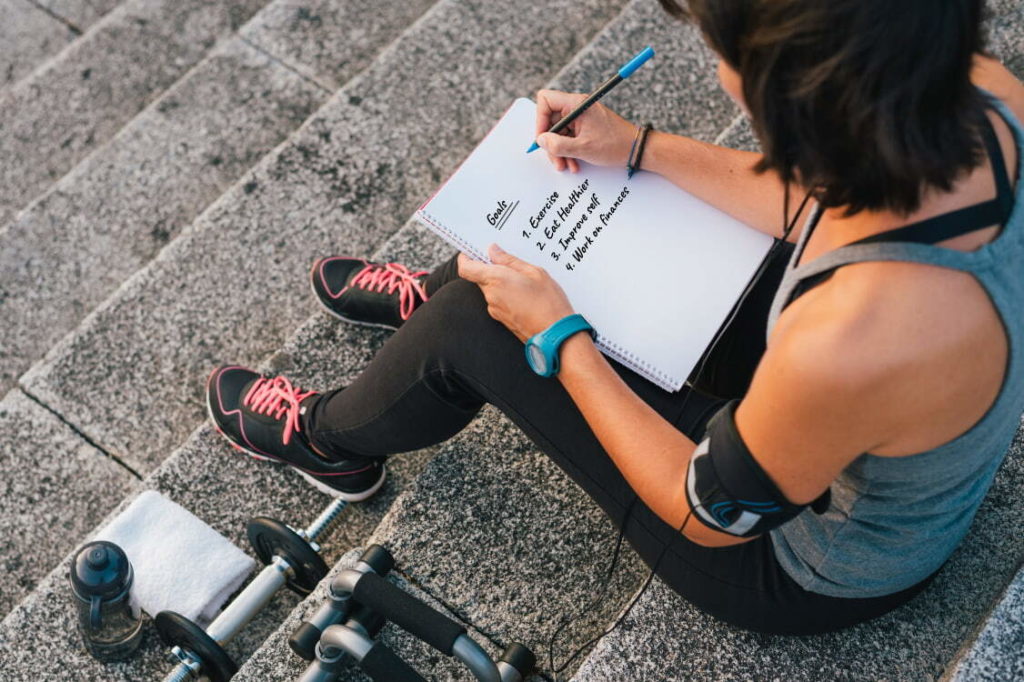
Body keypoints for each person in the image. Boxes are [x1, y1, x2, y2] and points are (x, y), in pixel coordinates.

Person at [205, 0, 1024, 635]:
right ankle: (449, 315)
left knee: (472, 322)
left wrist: (562, 339)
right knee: (548, 242)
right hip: (866, 423)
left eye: (724, 53)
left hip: (801, 560)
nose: (717, 75)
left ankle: (330, 440)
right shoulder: (986, 94)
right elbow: (823, 201)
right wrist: (638, 147)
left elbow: (708, 515)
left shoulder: (851, 339)